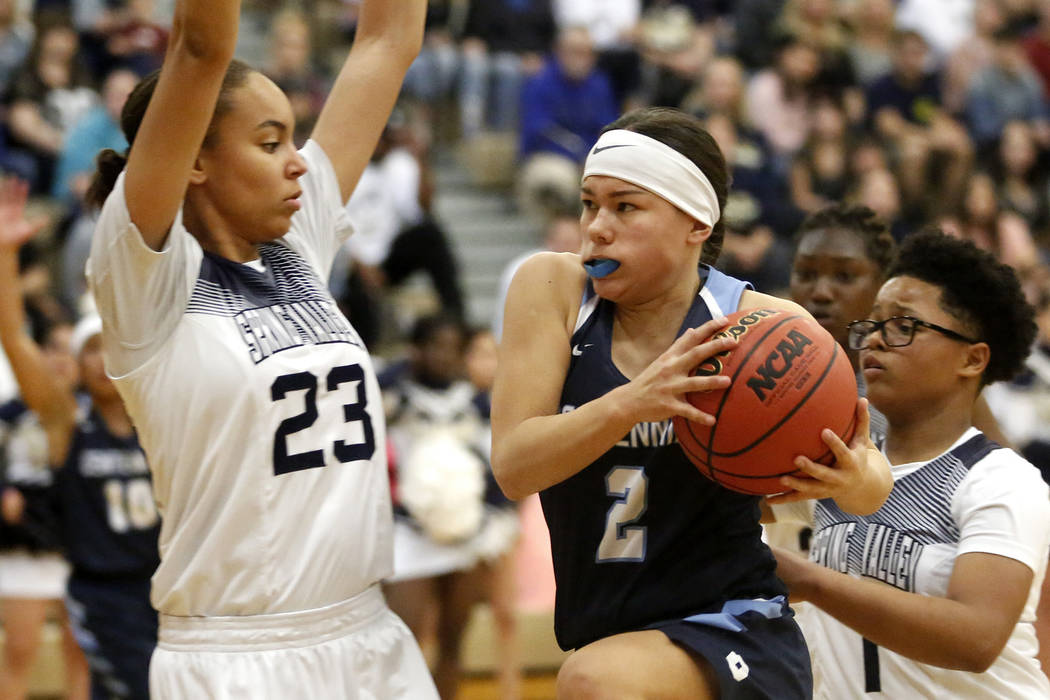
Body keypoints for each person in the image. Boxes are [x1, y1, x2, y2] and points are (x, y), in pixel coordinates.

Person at [83, 0, 437, 697]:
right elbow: (200, 46)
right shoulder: (145, 279)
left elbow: (389, 40)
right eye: (271, 142)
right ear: (193, 161)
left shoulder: (296, 246)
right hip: (236, 661)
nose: (300, 163)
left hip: (371, 638)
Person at [491, 106, 893, 699]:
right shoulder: (553, 290)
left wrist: (853, 474)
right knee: (594, 672)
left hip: (734, 624)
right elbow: (514, 467)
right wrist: (631, 403)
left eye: (625, 207)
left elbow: (872, 486)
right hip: (609, 630)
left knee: (591, 682)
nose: (597, 227)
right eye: (589, 204)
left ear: (697, 224)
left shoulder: (758, 327)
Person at [775, 229, 1050, 697]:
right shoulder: (838, 465)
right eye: (873, 324)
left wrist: (808, 579)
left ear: (972, 358)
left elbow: (975, 638)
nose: (876, 340)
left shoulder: (1001, 479)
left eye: (904, 326)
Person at [0, 177, 157, 699]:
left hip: (163, 591)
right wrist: (5, 257)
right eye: (91, 350)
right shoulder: (68, 423)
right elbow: (17, 340)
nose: (103, 360)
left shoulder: (159, 420)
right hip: (100, 593)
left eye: (113, 347)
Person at [381, 315, 516, 699]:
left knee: (453, 643)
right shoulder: (394, 395)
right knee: (403, 641)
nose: (445, 356)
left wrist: (488, 516)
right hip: (409, 532)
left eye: (453, 348)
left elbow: (497, 464)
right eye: (435, 346)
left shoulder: (474, 402)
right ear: (417, 350)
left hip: (462, 537)